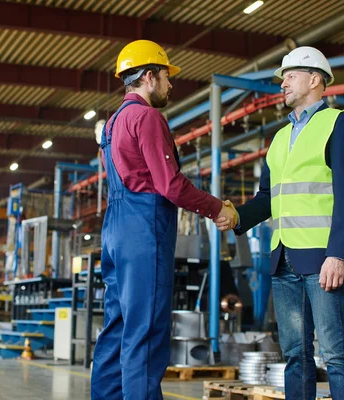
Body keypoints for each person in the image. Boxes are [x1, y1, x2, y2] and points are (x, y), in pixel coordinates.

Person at [215, 46, 344, 399]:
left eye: (290, 75)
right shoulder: (280, 138)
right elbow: (268, 197)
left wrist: (339, 254)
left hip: (322, 260)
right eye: (283, 77)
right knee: (296, 356)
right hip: (283, 259)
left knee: (335, 354)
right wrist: (237, 215)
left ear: (315, 80)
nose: (282, 83)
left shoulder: (339, 124)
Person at [90, 39, 235, 400]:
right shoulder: (148, 117)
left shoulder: (113, 123)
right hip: (143, 231)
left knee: (118, 326)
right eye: (168, 78)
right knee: (146, 332)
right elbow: (170, 186)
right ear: (150, 77)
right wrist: (216, 208)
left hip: (114, 230)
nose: (171, 85)